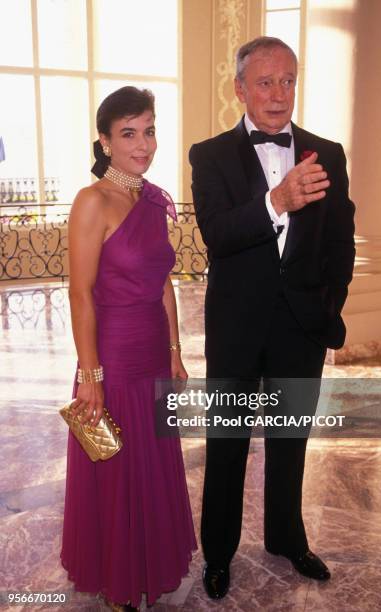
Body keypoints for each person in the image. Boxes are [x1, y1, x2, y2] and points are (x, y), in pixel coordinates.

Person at [189, 37, 355, 599]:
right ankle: (218, 553)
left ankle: (287, 537)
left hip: (301, 329)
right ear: (239, 88)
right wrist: (276, 200)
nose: (278, 93)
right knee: (227, 445)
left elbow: (339, 242)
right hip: (237, 329)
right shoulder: (209, 155)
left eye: (288, 80)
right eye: (265, 82)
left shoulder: (327, 152)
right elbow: (217, 234)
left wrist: (328, 306)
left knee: (291, 442)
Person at [61, 86, 197, 611]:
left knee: (152, 464)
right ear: (105, 141)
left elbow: (163, 281)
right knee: (116, 469)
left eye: (149, 130)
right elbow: (79, 294)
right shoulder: (91, 201)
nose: (143, 145)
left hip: (150, 354)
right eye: (128, 134)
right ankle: (119, 583)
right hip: (111, 361)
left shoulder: (151, 198)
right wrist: (91, 377)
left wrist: (175, 350)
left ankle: (149, 565)